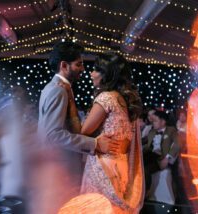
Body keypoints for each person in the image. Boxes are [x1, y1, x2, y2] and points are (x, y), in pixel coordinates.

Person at [36, 42, 120, 213]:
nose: (83, 69)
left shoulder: (58, 88)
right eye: (79, 64)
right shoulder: (58, 90)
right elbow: (53, 135)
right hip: (59, 169)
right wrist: (95, 144)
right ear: (64, 65)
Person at [62, 52, 145, 213]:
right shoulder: (125, 101)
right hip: (121, 166)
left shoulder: (106, 98)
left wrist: (71, 102)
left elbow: (82, 131)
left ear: (107, 74)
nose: (91, 74)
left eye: (95, 70)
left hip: (104, 166)